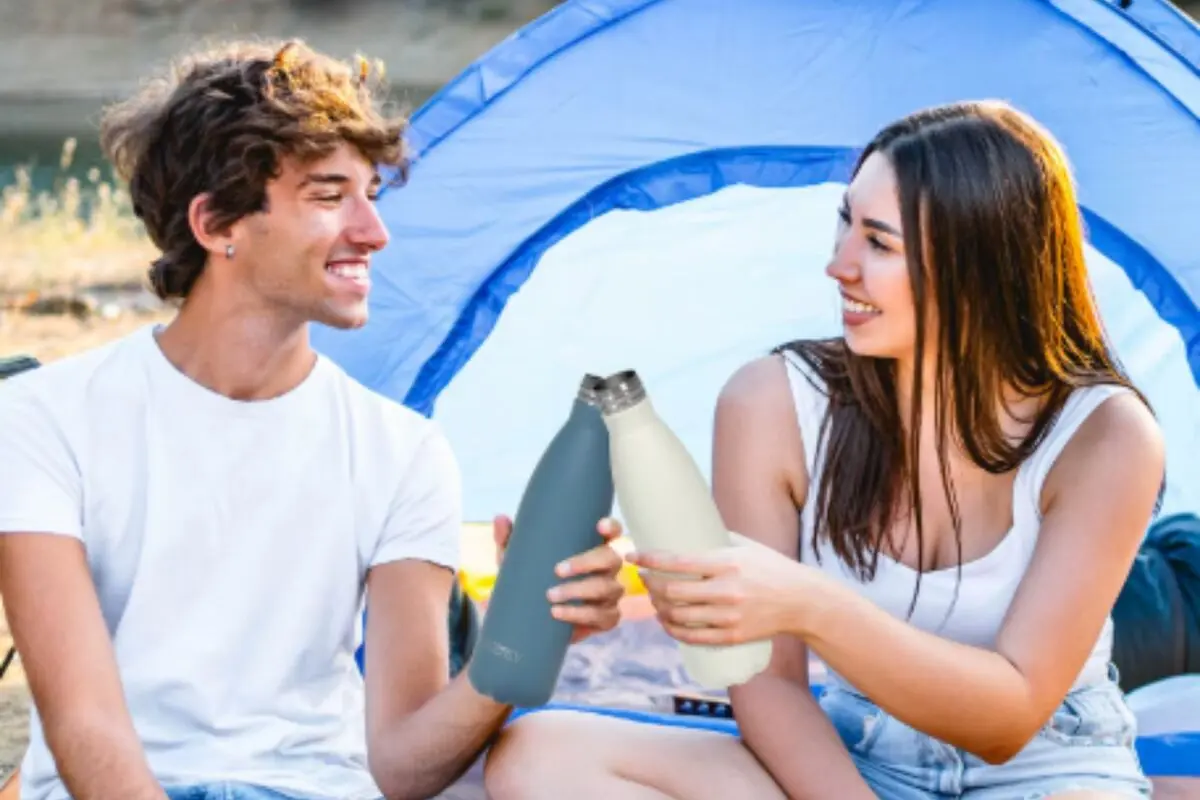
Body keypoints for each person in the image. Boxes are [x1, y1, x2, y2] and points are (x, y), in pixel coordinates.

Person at [0, 39, 626, 800]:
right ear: (216, 224)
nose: (374, 231)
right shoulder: (43, 418)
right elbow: (86, 725)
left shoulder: (403, 451)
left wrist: (516, 648)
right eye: (330, 198)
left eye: (372, 195)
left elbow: (399, 760)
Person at [484, 100, 1165, 799]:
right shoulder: (775, 401)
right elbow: (763, 680)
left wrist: (809, 604)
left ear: (979, 263)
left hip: (1051, 769)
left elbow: (1010, 717)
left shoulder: (1103, 435)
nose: (838, 266)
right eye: (845, 223)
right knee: (541, 755)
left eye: (880, 243)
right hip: (853, 756)